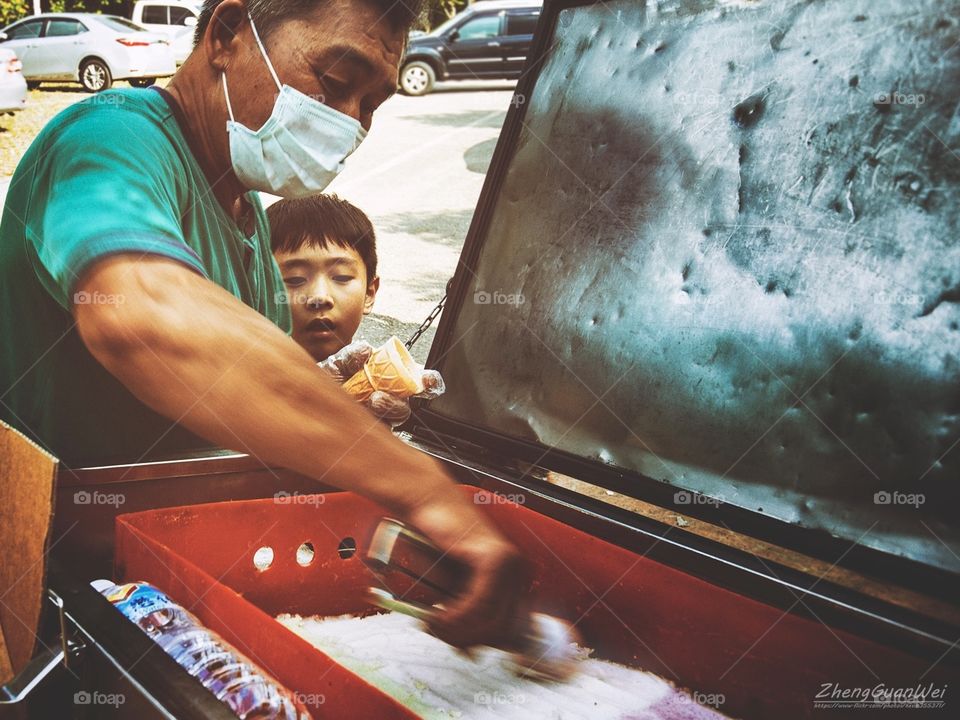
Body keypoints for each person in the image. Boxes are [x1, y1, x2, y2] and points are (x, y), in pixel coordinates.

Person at [0, 0, 527, 650]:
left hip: (179, 577)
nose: (351, 124)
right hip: (64, 585)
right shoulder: (107, 138)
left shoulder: (246, 213)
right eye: (335, 84)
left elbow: (226, 401)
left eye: (372, 104)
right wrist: (426, 492)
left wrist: (333, 404)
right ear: (225, 36)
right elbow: (144, 317)